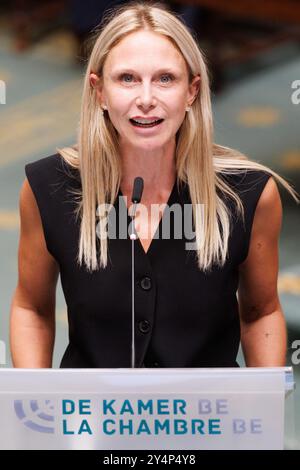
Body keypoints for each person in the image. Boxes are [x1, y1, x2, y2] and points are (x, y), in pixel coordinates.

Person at [10, 1, 299, 369]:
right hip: (94, 419)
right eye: (127, 78)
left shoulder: (247, 195)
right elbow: (31, 307)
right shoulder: (48, 189)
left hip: (206, 420)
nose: (146, 99)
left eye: (165, 79)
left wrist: (264, 404)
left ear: (192, 91)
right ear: (99, 91)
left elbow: (260, 312)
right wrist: (39, 403)